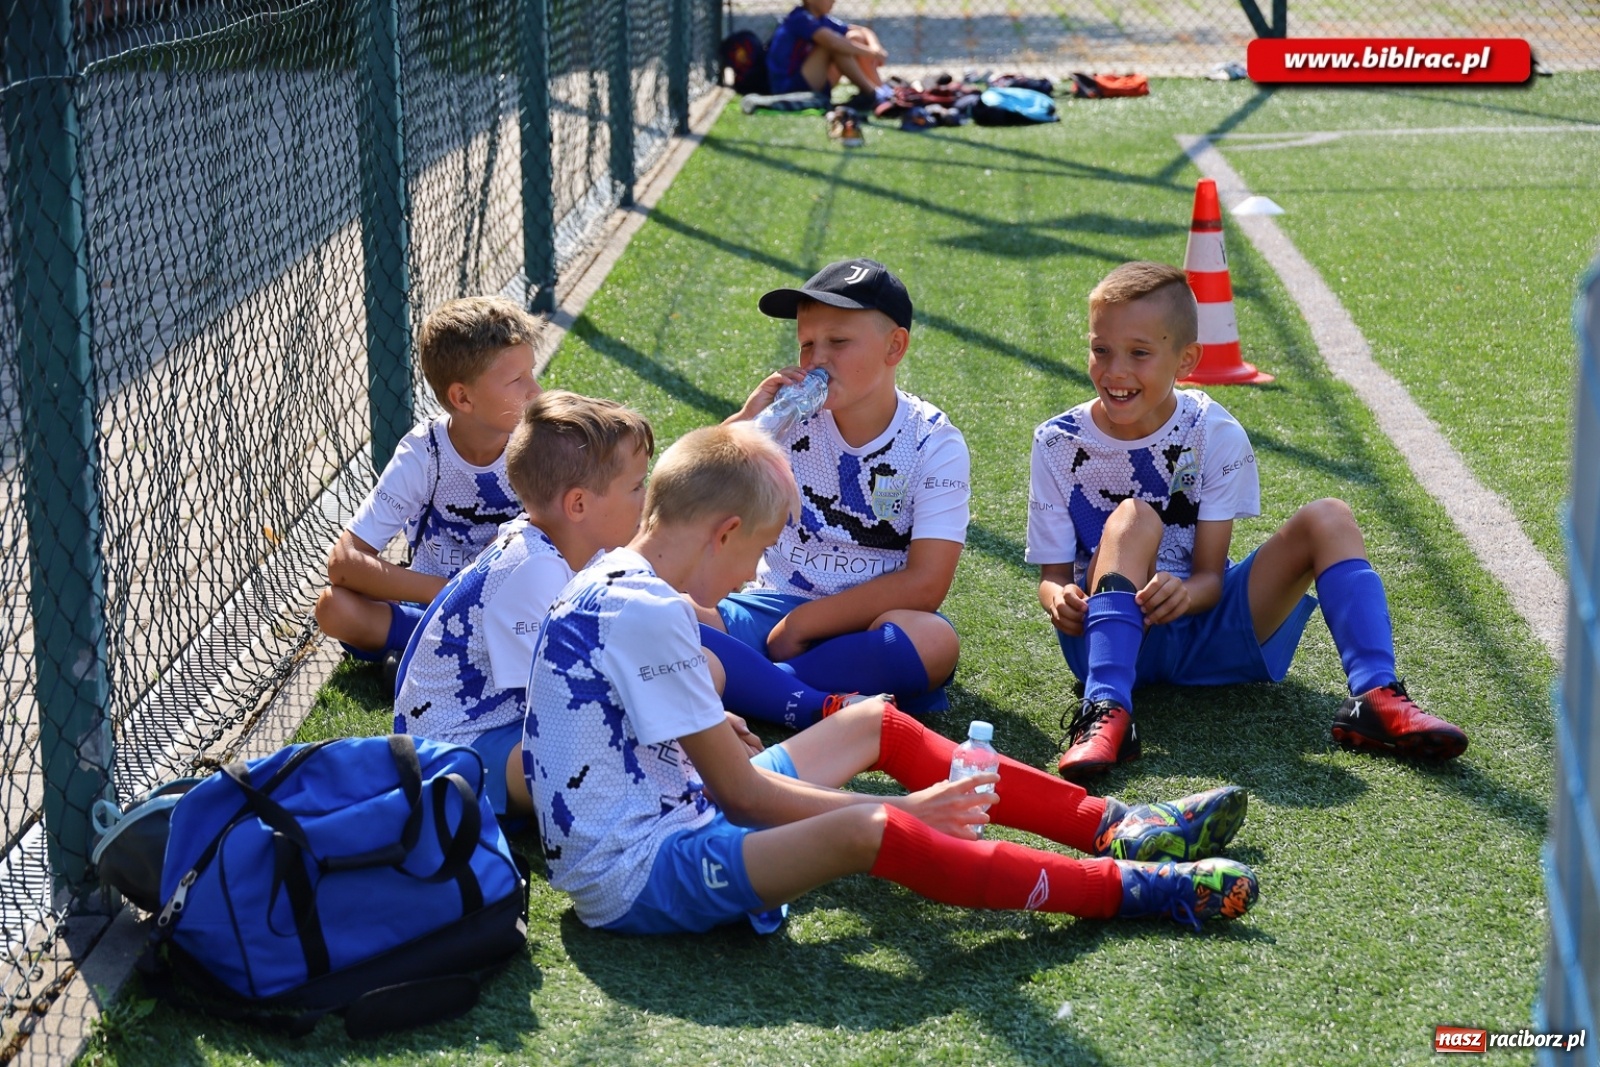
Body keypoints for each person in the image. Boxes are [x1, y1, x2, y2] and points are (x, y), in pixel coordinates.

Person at [522, 422, 1258, 937]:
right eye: (760, 549)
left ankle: (1113, 825)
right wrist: (916, 813)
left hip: (671, 803)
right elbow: (740, 792)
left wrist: (710, 734)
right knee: (870, 826)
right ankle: (1128, 891)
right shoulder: (649, 609)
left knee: (874, 720)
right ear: (724, 531)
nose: (754, 572)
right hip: (640, 871)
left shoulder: (628, 580)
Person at [1028, 261, 1470, 782]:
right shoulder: (1057, 441)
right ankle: (1105, 711)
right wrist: (1059, 598)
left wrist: (1186, 595)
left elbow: (1212, 578)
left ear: (1186, 359)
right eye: (1101, 350)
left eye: (1139, 353)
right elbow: (1053, 578)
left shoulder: (1213, 430)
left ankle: (1377, 694)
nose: (1115, 370)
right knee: (1132, 515)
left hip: (1205, 628)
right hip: (1106, 639)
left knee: (1330, 517)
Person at [701, 258, 967, 728]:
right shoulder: (786, 421)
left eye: (838, 342)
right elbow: (699, 492)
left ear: (894, 347)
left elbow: (926, 584)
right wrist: (747, 421)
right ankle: (803, 694)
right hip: (773, 603)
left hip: (869, 624)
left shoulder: (933, 441)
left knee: (934, 641)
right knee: (678, 615)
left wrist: (802, 626)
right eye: (807, 344)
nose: (817, 359)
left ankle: (755, 686)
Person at [393, 392, 653, 818]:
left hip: (499, 722)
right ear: (579, 505)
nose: (645, 500)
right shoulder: (536, 569)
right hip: (453, 749)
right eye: (636, 487)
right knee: (577, 762)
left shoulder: (563, 545)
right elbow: (560, 700)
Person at [314, 296, 543, 674]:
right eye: (517, 380)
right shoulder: (425, 454)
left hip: (514, 604)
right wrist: (445, 590)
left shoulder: (540, 441)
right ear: (462, 397)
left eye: (530, 373)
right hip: (435, 605)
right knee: (333, 608)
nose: (535, 391)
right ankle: (457, 656)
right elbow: (343, 563)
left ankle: (421, 659)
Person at [765, 0, 887, 100]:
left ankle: (880, 89)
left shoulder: (821, 19)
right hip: (787, 88)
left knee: (855, 37)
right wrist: (871, 53)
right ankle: (873, 95)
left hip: (810, 79)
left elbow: (863, 31)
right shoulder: (800, 18)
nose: (834, 1)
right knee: (833, 47)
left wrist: (875, 47)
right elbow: (834, 43)